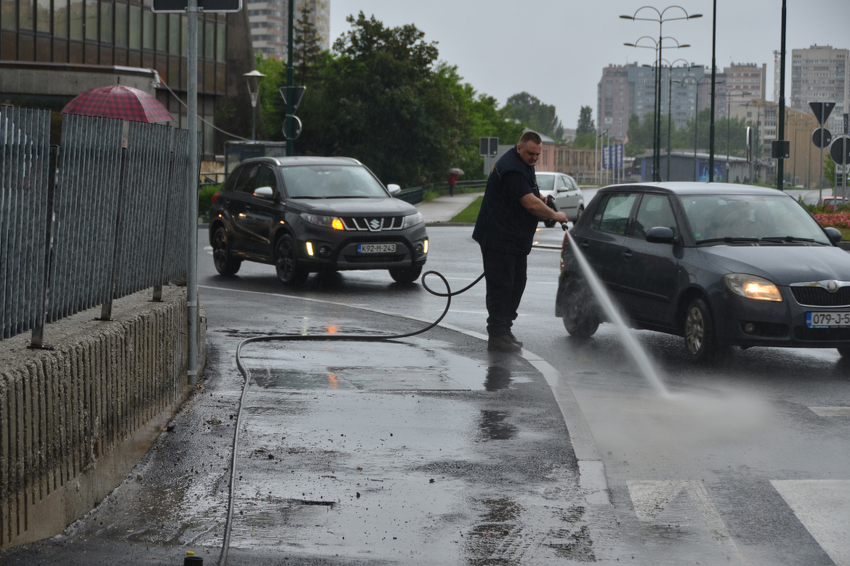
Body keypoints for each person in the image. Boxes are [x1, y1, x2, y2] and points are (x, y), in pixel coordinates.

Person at [472, 132, 568, 353]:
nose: (535, 158)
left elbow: (530, 192)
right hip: (498, 238)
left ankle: (504, 329)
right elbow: (530, 204)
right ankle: (497, 335)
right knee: (502, 287)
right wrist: (555, 215)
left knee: (517, 284)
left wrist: (542, 197)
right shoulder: (512, 169)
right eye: (531, 153)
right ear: (519, 148)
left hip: (512, 239)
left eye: (538, 154)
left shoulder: (523, 163)